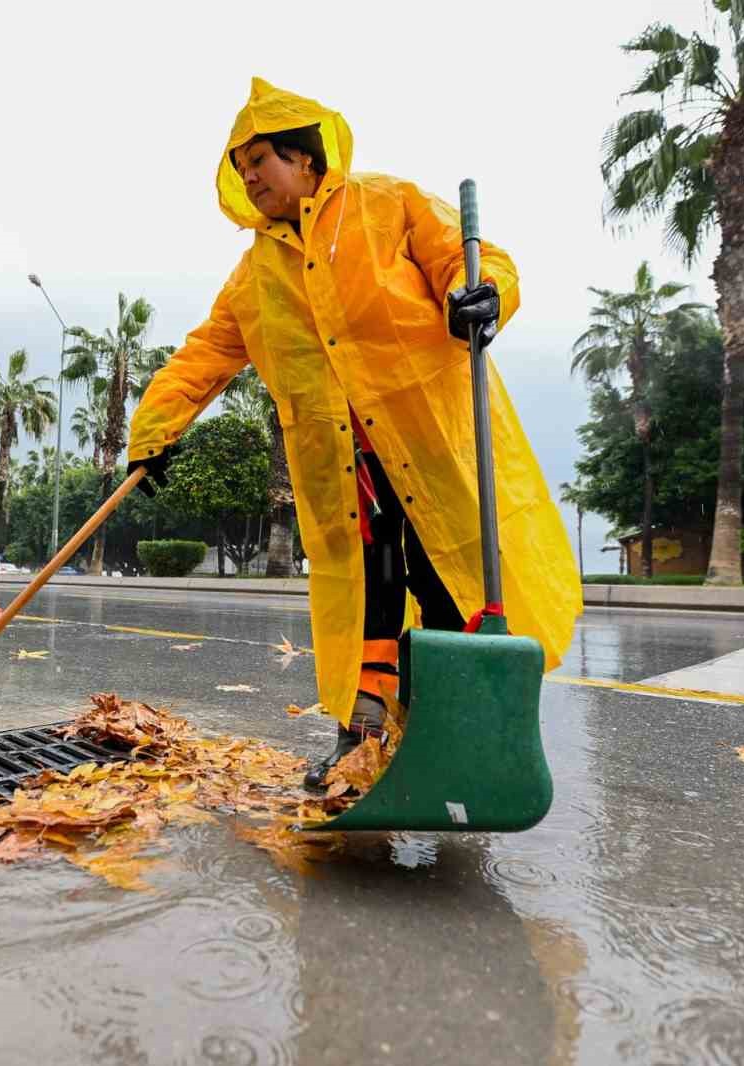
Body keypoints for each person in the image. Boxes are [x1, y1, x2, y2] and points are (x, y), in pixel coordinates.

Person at [127, 78, 581, 788]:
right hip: (344, 465)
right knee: (368, 587)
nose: (252, 182)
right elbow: (204, 356)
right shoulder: (255, 275)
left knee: (443, 580)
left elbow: (467, 260)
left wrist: (483, 290)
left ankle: (455, 735)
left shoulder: (386, 202)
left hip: (428, 441)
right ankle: (360, 737)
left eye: (263, 165)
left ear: (306, 160)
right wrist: (153, 429)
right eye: (242, 174)